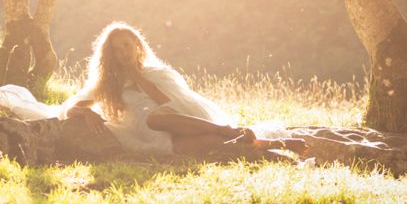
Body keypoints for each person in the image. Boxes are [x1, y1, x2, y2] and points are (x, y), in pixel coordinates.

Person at [58, 22, 299, 158]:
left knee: (155, 117)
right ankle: (277, 144)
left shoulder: (155, 73)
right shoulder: (108, 81)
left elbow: (166, 101)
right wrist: (86, 112)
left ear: (137, 46)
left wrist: (137, 76)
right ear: (110, 55)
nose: (124, 53)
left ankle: (226, 129)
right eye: (117, 50)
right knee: (214, 144)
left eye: (127, 46)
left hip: (168, 121)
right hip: (150, 138)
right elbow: (73, 107)